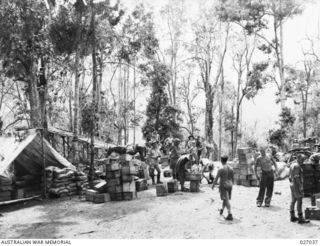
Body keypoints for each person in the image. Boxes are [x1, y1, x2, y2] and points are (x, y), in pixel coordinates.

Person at [289, 154, 310, 224]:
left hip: (292, 184)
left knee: (293, 200)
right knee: (299, 201)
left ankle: (292, 216)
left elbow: (290, 177)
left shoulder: (292, 164)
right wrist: (300, 187)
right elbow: (297, 177)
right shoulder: (297, 166)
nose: (303, 161)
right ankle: (300, 218)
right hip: (296, 185)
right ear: (298, 158)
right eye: (302, 159)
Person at [212, 155, 234, 221]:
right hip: (230, 184)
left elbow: (216, 178)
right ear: (226, 160)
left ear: (221, 160)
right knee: (225, 198)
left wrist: (213, 185)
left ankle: (230, 214)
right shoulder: (231, 168)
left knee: (226, 200)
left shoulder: (221, 168)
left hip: (223, 185)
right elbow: (233, 178)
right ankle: (222, 209)